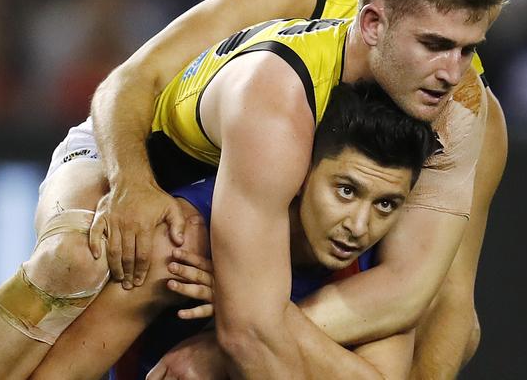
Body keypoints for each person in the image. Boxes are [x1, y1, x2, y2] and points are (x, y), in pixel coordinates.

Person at [0, 0, 527, 379]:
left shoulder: (462, 102)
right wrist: (133, 183)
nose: (457, 66)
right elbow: (129, 82)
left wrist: (250, 327)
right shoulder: (293, 6)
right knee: (89, 254)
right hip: (142, 154)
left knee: (413, 326)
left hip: (263, 196)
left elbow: (434, 293)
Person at [111, 80, 437, 379]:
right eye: (346, 191)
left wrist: (246, 306)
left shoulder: (382, 277)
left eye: (385, 205)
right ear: (302, 173)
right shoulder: (189, 229)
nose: (358, 226)